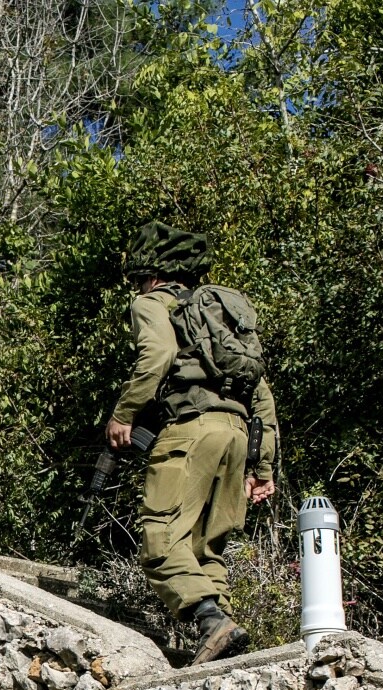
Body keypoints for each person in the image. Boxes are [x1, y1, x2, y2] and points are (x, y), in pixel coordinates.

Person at [104, 221, 279, 664]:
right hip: (238, 435)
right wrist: (263, 466)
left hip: (190, 430)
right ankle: (221, 633)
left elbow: (158, 355)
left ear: (151, 274)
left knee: (161, 539)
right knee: (207, 545)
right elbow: (261, 392)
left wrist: (124, 413)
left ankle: (210, 621)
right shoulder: (222, 316)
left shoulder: (152, 304)